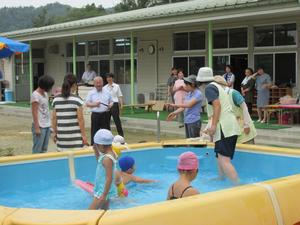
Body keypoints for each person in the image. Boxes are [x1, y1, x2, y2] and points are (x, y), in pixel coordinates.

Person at [197, 67, 240, 184]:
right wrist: (211, 129)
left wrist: (214, 126)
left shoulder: (210, 88)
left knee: (224, 159)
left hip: (224, 128)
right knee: (218, 156)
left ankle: (238, 186)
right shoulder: (216, 87)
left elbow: (217, 106)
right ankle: (221, 178)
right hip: (227, 126)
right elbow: (214, 112)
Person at [214, 76, 257, 144]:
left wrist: (246, 124)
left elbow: (244, 107)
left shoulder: (233, 93)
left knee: (248, 151)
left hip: (244, 128)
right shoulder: (218, 96)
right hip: (233, 130)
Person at [52, 74, 88, 151]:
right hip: (75, 138)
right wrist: (84, 136)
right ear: (74, 85)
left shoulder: (56, 99)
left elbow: (54, 118)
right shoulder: (77, 100)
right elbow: (80, 119)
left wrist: (54, 133)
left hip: (61, 137)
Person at [89, 129, 117, 210]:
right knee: (104, 212)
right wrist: (95, 151)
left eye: (97, 146)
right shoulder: (110, 154)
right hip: (105, 189)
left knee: (89, 213)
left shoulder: (107, 159)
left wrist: (104, 195)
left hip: (102, 191)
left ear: (101, 145)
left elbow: (109, 178)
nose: (97, 147)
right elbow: (99, 161)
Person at [31, 75, 55, 154]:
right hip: (40, 125)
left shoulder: (45, 94)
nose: (51, 88)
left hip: (47, 125)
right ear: (46, 86)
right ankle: (35, 164)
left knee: (44, 149)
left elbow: (46, 110)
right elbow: (34, 112)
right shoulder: (35, 95)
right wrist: (37, 127)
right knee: (37, 148)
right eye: (50, 86)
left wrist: (50, 125)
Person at [85, 77, 112, 145]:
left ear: (102, 83)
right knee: (94, 131)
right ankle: (93, 146)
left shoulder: (107, 91)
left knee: (106, 131)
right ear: (94, 84)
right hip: (95, 115)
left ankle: (107, 145)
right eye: (97, 83)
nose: (99, 84)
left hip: (105, 115)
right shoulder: (91, 92)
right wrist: (94, 104)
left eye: (100, 82)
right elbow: (87, 103)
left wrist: (110, 105)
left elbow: (111, 101)